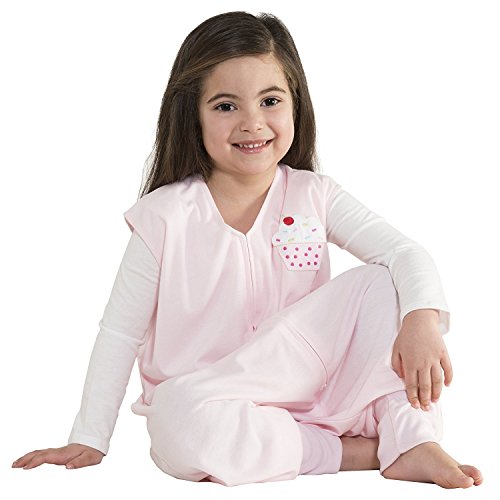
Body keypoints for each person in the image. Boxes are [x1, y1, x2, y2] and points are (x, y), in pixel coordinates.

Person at [11, 11, 483, 489]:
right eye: (225, 106)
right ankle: (351, 451)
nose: (252, 123)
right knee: (177, 425)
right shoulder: (164, 217)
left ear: (295, 104)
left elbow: (405, 253)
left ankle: (411, 439)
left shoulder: (315, 195)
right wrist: (90, 436)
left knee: (388, 284)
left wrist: (421, 320)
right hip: (210, 399)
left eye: (270, 101)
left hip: (314, 384)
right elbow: (119, 333)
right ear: (192, 115)